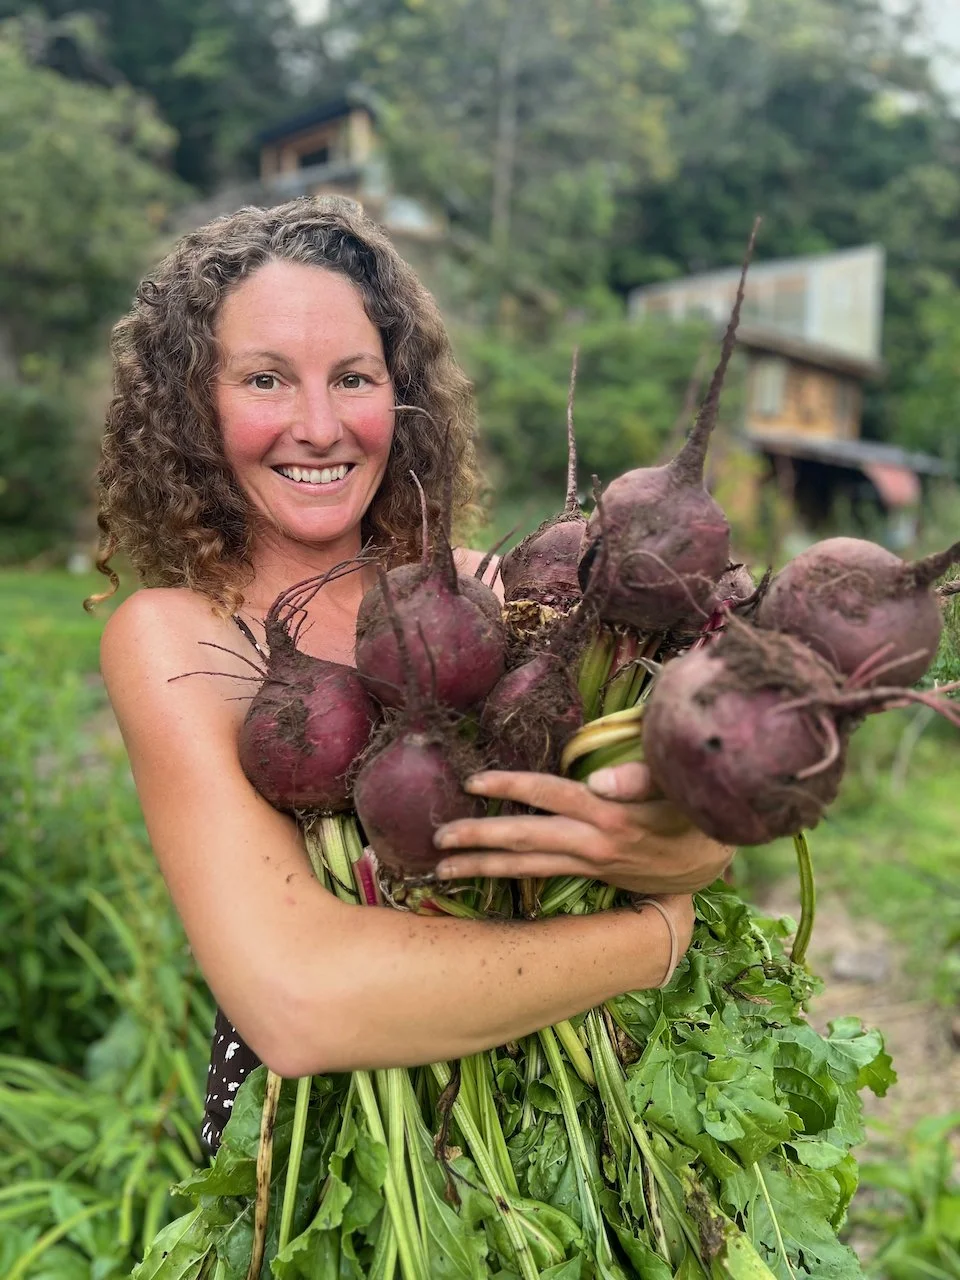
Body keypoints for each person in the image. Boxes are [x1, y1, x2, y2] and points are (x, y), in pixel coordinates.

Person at [92, 196, 733, 1154]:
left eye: (352, 377)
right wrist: (654, 939)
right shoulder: (178, 638)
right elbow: (299, 1000)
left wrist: (673, 856)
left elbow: (690, 846)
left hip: (566, 1124)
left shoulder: (491, 591)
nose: (319, 426)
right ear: (194, 407)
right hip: (329, 1169)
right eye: (265, 379)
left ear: (401, 396)